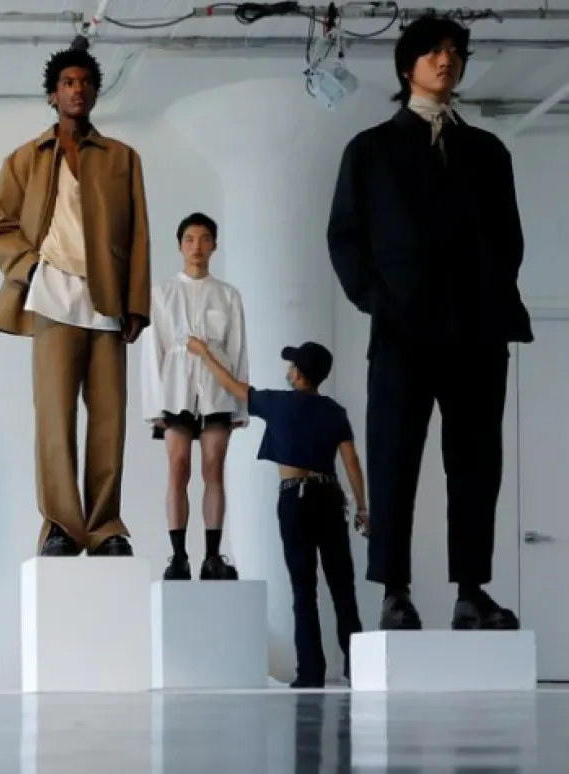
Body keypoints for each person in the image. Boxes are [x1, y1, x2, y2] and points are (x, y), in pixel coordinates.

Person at [327, 14, 530, 631]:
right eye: (433, 52)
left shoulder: (488, 151)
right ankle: (394, 590)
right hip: (402, 330)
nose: (447, 61)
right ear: (407, 66)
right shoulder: (370, 150)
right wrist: (379, 302)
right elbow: (345, 239)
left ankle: (472, 591)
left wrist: (490, 300)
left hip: (476, 329)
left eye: (454, 52)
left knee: (476, 464)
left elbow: (509, 240)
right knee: (393, 459)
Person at [0, 44, 151, 557]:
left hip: (106, 299)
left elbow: (139, 232)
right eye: (68, 83)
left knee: (109, 419)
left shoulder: (123, 158)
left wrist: (136, 303)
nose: (77, 90)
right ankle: (61, 524)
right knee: (54, 417)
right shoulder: (24, 158)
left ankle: (104, 527)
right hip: (52, 294)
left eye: (85, 82)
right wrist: (30, 268)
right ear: (53, 94)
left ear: (96, 91)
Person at [186, 337, 367, 688]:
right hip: (330, 497)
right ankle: (358, 667)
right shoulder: (335, 411)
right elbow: (352, 462)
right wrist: (363, 507)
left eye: (292, 366)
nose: (289, 370)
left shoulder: (279, 403)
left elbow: (231, 386)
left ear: (299, 375)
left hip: (294, 498)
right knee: (342, 586)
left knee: (304, 588)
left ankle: (311, 673)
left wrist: (204, 353)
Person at [141, 213, 245, 581]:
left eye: (204, 239)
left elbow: (238, 349)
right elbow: (152, 350)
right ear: (180, 245)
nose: (196, 246)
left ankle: (213, 556)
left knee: (214, 465)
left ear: (214, 245)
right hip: (175, 387)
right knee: (177, 466)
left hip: (217, 390)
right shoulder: (162, 293)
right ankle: (179, 555)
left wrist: (239, 403)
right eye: (189, 239)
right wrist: (154, 404)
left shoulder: (228, 295)